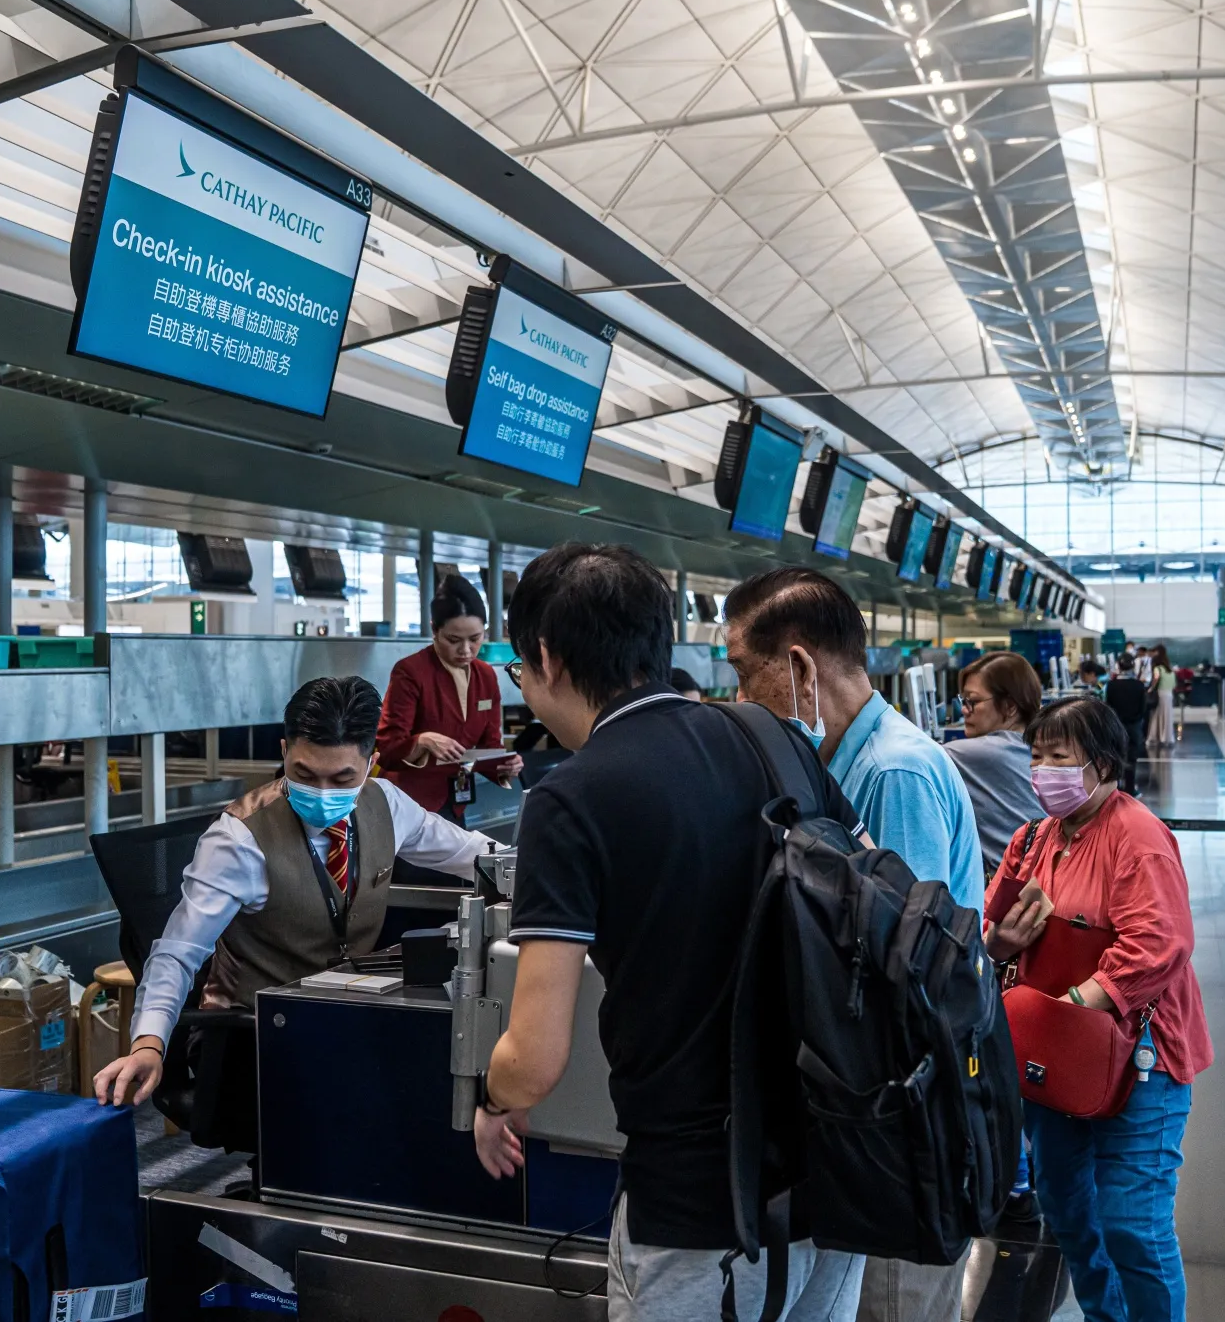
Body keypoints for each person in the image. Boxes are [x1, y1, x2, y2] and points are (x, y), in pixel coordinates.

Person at [471, 544, 867, 1321]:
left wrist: (490, 1096)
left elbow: (536, 1058)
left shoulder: (571, 798)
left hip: (700, 1200)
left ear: (546, 658)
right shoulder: (774, 738)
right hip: (836, 1170)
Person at [723, 565, 983, 1321]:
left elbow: (904, 978)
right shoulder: (847, 761)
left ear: (799, 666)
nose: (739, 699)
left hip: (906, 1132)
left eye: (744, 673)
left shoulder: (890, 772)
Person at [93, 677, 495, 1119]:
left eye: (343, 777)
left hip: (345, 1017)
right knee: (415, 1089)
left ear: (371, 763)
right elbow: (175, 954)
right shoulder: (238, 841)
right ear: (284, 751)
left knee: (456, 1057)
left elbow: (472, 853)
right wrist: (149, 1043)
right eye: (304, 774)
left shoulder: (387, 804)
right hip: (256, 1035)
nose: (322, 791)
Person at [984, 696, 1212, 1322]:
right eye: (1036, 756)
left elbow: (1161, 942)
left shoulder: (1138, 838)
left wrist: (1080, 1004)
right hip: (1052, 1059)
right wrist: (1000, 942)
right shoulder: (1034, 839)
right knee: (1067, 1211)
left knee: (1131, 1223)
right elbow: (993, 921)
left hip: (1141, 1056)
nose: (1042, 772)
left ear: (1104, 764)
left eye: (1060, 757)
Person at [375, 573, 520, 823]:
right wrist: (422, 741)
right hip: (409, 806)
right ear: (434, 629)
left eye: (475, 639)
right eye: (454, 640)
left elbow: (488, 747)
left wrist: (503, 766)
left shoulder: (486, 676)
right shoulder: (411, 672)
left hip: (456, 802)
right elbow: (387, 751)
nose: (466, 650)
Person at [944, 652, 1046, 875]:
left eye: (973, 701)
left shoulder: (987, 753)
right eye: (963, 701)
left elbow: (919, 756)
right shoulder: (1035, 744)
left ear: (1010, 707)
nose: (964, 710)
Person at [1104, 656, 1149, 795]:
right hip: (1134, 726)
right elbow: (1143, 709)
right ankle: (1130, 789)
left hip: (1116, 726)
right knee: (1132, 757)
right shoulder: (1139, 685)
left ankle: (1116, 789)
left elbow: (1108, 707)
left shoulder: (1111, 685)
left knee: (1116, 756)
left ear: (1119, 666)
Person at [1145, 645, 1174, 747]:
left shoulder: (1158, 669)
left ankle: (1156, 736)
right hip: (1169, 694)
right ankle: (1166, 737)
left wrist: (1151, 688)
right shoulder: (1169, 669)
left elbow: (1156, 678)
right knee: (1167, 716)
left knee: (1157, 715)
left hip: (1161, 694)